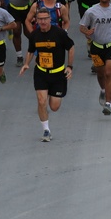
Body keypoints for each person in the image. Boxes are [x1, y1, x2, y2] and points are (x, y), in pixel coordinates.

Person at [19, 9, 76, 142]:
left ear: (50, 19)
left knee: (54, 107)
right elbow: (31, 51)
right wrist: (26, 63)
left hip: (58, 74)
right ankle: (46, 130)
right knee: (41, 101)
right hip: (41, 73)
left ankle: (51, 95)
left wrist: (69, 66)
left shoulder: (60, 33)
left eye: (45, 18)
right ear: (36, 21)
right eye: (40, 19)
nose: (43, 21)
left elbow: (71, 48)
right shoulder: (34, 35)